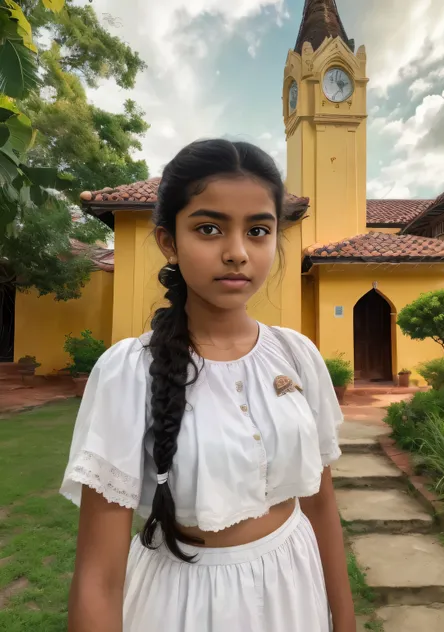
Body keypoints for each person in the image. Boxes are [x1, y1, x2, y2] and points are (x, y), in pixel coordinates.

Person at [61, 139, 356, 632]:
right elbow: (98, 575)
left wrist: (343, 620)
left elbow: (321, 503)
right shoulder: (128, 373)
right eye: (209, 228)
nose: (237, 253)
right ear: (168, 242)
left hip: (296, 590)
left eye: (258, 230)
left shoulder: (298, 357)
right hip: (183, 605)